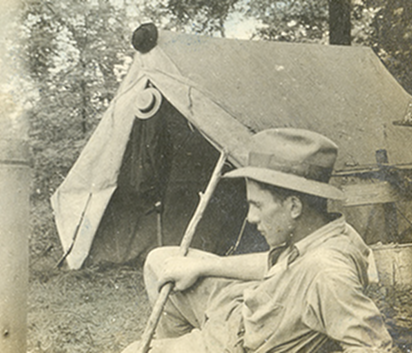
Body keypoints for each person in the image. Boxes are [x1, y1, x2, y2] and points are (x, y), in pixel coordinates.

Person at [122, 128, 392, 353]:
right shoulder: (330, 234)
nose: (251, 217)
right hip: (244, 308)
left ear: (294, 207)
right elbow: (274, 265)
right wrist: (202, 267)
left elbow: (374, 346)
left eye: (257, 205)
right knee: (162, 261)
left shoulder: (327, 271)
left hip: (235, 343)